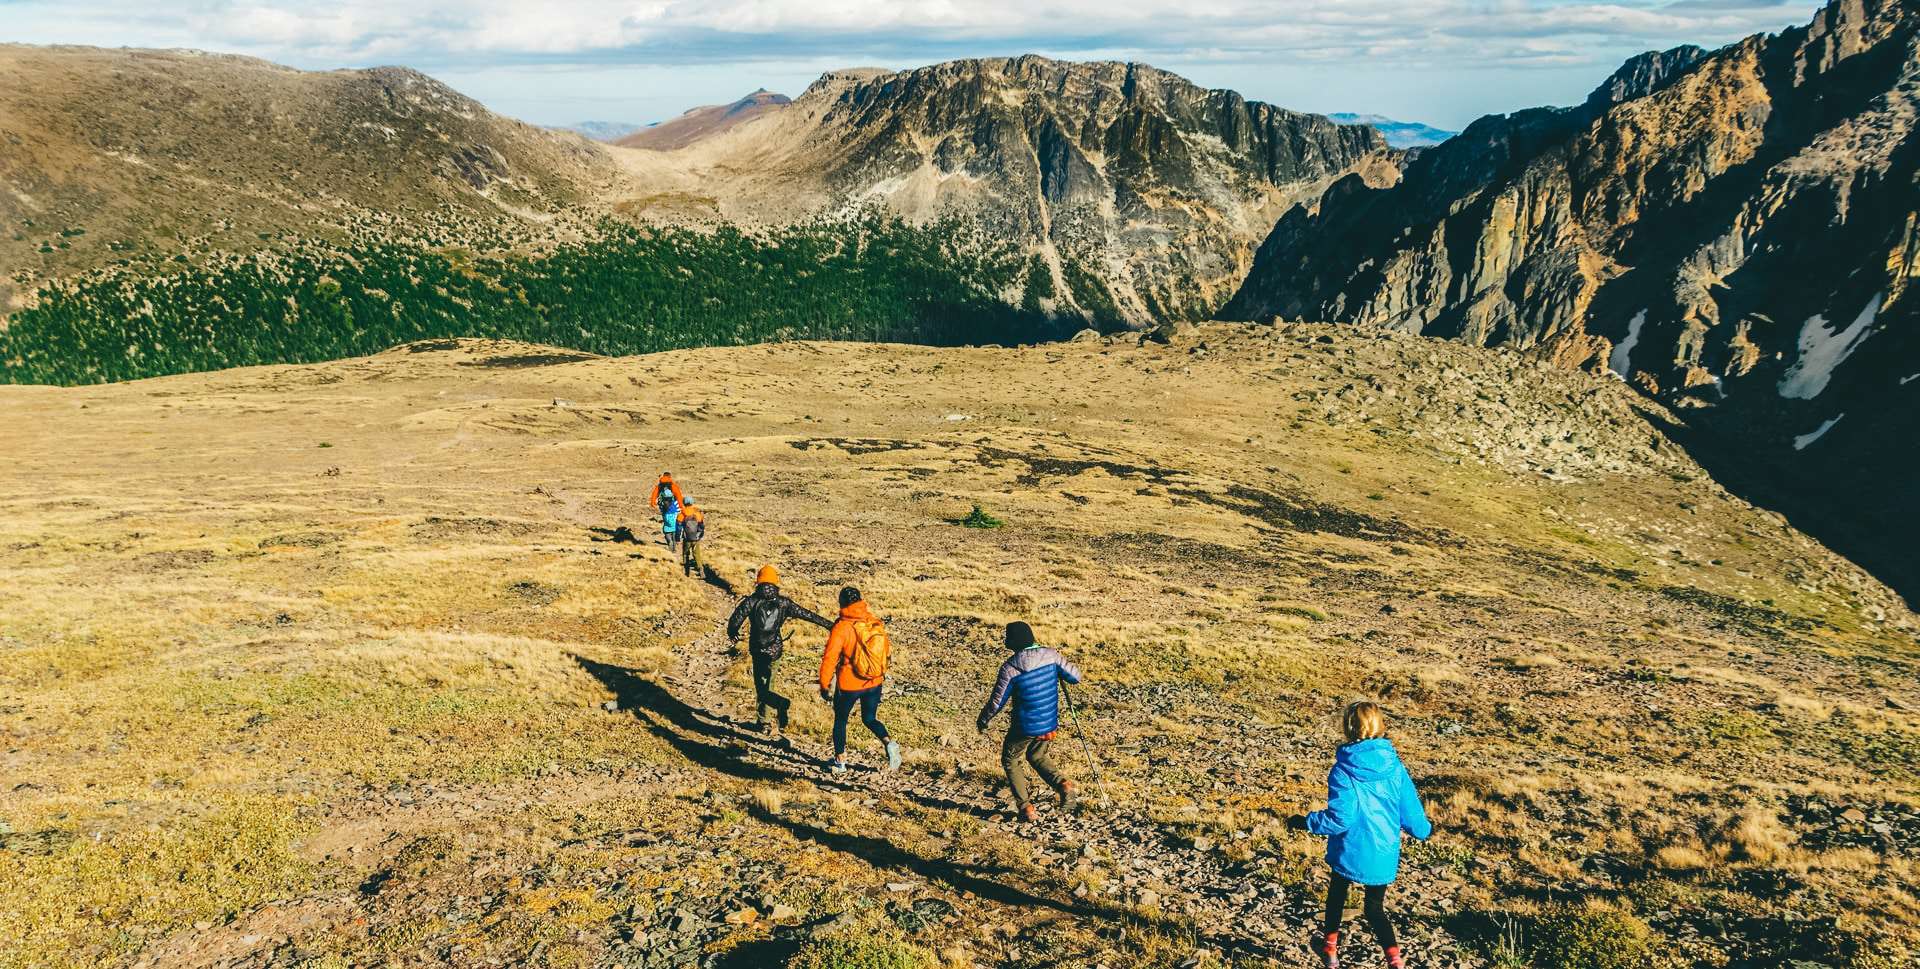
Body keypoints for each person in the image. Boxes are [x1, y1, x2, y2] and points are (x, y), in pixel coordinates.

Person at [1286, 701, 1431, 969]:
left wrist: (1307, 822)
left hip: (1349, 849)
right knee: (1375, 909)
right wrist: (1423, 831)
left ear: (1348, 728)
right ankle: (1395, 961)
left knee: (1336, 898)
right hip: (1384, 852)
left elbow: (1340, 818)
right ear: (1379, 725)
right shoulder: (1396, 767)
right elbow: (1413, 818)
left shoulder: (1343, 770)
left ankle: (1330, 951)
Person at [976, 621, 1081, 822]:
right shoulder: (1051, 655)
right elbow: (1075, 677)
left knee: (1011, 759)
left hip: (1024, 727)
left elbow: (997, 703)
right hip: (1049, 723)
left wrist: (983, 720)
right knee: (1037, 755)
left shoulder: (1010, 668)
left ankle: (1026, 808)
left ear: (1012, 643)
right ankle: (1064, 786)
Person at [725, 566, 832, 742]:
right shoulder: (784, 603)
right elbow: (808, 615)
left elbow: (735, 620)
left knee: (761, 687)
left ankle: (764, 721)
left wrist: (732, 633)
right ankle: (768, 717)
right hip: (775, 650)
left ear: (758, 581)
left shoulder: (751, 601)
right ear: (776, 582)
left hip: (758, 650)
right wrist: (830, 625)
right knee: (770, 684)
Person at [818, 586, 900, 775]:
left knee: (840, 720)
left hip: (849, 685)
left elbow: (830, 658)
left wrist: (824, 684)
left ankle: (840, 763)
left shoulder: (842, 626)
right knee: (869, 718)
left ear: (841, 603)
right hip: (874, 682)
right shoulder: (872, 620)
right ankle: (889, 743)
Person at [648, 472, 686, 552]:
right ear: (670, 477)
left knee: (667, 523)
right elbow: (679, 496)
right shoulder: (673, 486)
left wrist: (653, 503)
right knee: (674, 525)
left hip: (664, 509)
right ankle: (674, 542)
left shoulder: (659, 486)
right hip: (674, 508)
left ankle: (669, 541)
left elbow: (654, 494)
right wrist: (681, 507)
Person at [678, 502, 706, 576]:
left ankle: (686, 572)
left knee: (685, 554)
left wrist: (677, 537)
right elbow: (702, 526)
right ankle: (701, 570)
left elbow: (678, 526)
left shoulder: (682, 513)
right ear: (692, 503)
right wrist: (700, 535)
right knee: (697, 554)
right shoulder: (697, 513)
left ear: (684, 503)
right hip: (696, 538)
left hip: (687, 538)